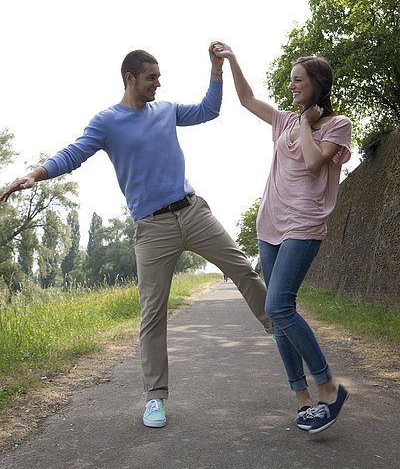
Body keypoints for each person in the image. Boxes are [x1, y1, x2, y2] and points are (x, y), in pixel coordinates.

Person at [0, 44, 272, 429]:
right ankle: (155, 398)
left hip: (192, 211)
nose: (158, 84)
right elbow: (74, 153)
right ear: (130, 78)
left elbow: (209, 110)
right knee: (152, 314)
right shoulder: (107, 122)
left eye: (159, 77)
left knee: (244, 269)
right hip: (153, 227)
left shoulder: (166, 111)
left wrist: (216, 69)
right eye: (152, 78)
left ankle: (279, 330)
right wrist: (36, 174)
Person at [212, 42, 352, 435]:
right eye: (290, 80)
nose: (291, 86)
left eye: (298, 81)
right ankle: (302, 399)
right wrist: (232, 61)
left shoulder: (337, 125)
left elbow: (312, 161)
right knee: (276, 314)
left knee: (279, 304)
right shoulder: (283, 120)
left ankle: (328, 385)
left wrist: (307, 123)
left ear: (316, 84)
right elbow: (246, 98)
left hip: (303, 225)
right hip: (270, 224)